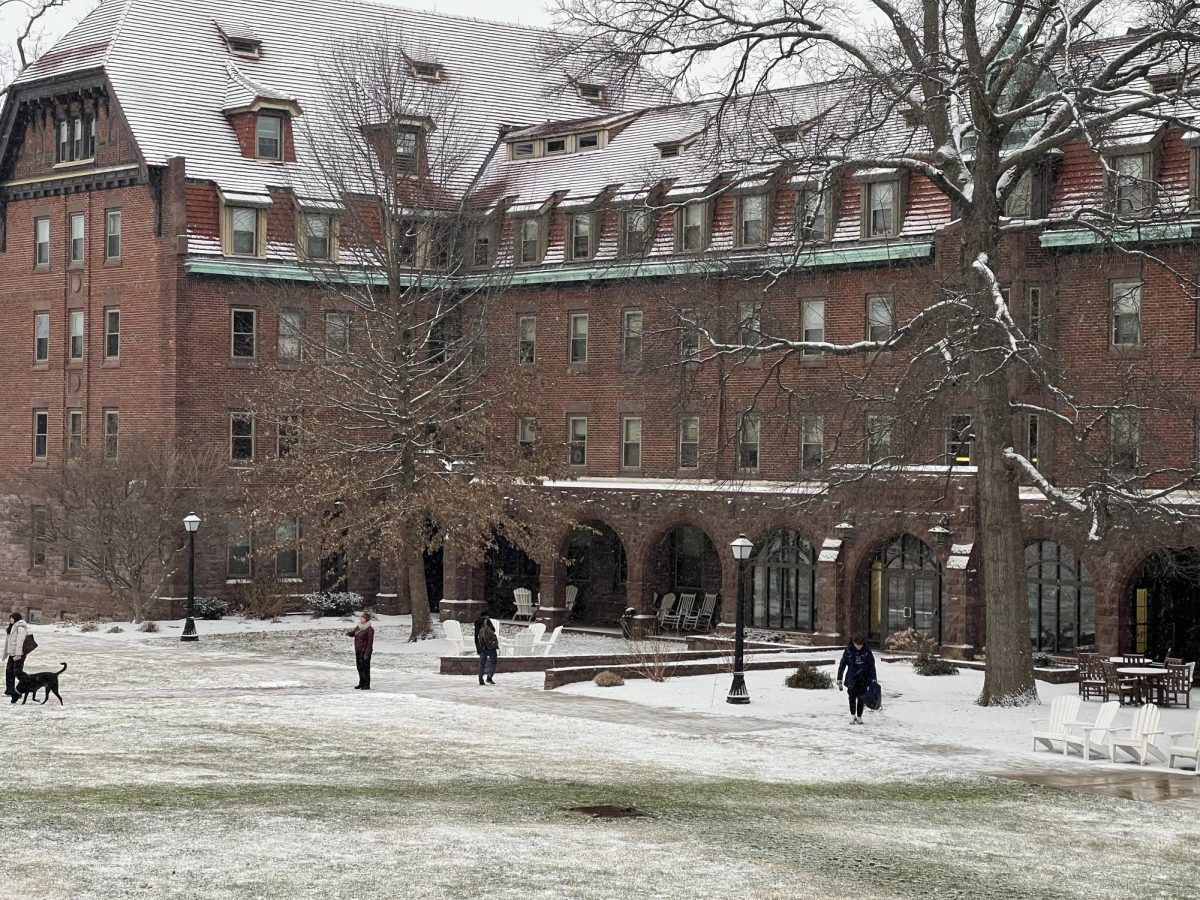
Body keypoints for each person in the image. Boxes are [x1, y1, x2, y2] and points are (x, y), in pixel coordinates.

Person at [837, 635, 877, 724]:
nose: (859, 647)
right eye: (857, 645)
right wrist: (839, 677)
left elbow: (872, 666)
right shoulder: (849, 651)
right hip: (852, 678)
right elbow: (842, 664)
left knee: (861, 699)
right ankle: (852, 715)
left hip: (864, 678)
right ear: (854, 643)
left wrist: (874, 679)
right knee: (851, 698)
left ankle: (859, 716)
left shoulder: (867, 651)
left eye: (860, 645)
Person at [4, 612, 29, 704]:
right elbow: (8, 642)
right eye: (10, 618)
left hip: (19, 654)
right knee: (9, 671)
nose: (11, 619)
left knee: (17, 673)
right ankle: (9, 690)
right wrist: (5, 654)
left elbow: (20, 642)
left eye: (13, 618)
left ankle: (21, 690)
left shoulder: (20, 628)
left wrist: (18, 655)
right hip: (12, 654)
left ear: (17, 618)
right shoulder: (11, 628)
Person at [347, 612, 374, 690]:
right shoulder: (358, 627)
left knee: (365, 668)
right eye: (360, 617)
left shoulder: (370, 630)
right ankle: (361, 683)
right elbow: (353, 633)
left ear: (366, 619)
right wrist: (349, 633)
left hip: (365, 651)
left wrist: (367, 653)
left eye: (362, 618)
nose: (360, 619)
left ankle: (366, 684)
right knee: (359, 668)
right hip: (358, 650)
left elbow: (370, 643)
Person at [474, 612, 498, 685]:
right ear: (486, 616)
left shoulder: (477, 623)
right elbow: (493, 630)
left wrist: (478, 648)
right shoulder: (487, 621)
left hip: (482, 647)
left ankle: (481, 680)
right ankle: (489, 677)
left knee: (482, 664)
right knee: (494, 662)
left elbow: (476, 637)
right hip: (490, 646)